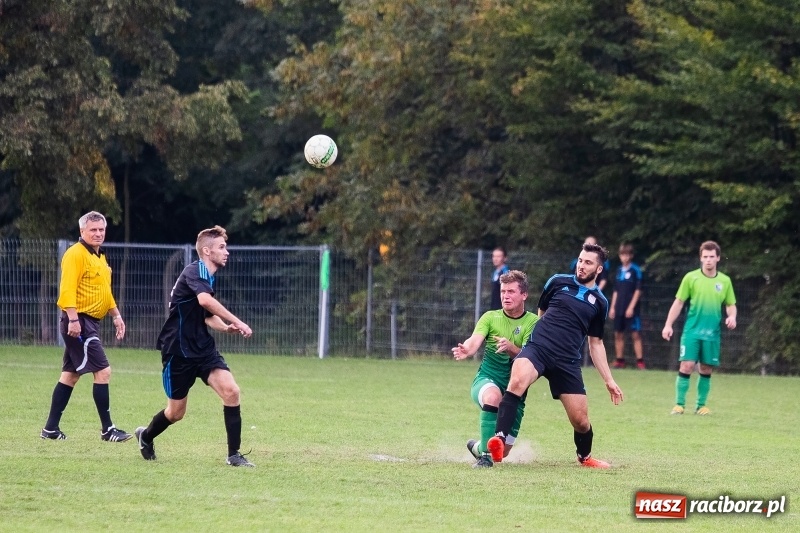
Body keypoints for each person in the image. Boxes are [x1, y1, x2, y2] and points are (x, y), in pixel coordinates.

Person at [486, 242, 624, 469]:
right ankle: (499, 440)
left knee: (580, 421)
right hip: (538, 349)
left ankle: (585, 457)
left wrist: (609, 380)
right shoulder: (557, 282)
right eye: (580, 260)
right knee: (517, 380)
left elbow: (596, 344)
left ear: (598, 269)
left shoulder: (600, 302)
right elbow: (541, 314)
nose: (581, 266)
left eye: (588, 263)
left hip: (567, 361)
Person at [134, 225, 256, 467]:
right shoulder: (195, 270)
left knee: (231, 391)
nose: (227, 252)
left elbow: (205, 314)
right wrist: (238, 320)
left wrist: (225, 327)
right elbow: (205, 301)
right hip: (177, 351)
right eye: (222, 247)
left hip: (202, 349)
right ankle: (145, 436)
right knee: (176, 413)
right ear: (207, 251)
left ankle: (234, 455)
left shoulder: (206, 277)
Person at [40, 211, 132, 442]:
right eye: (93, 229)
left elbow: (105, 292)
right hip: (80, 322)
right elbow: (67, 289)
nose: (98, 233)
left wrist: (116, 315)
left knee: (70, 376)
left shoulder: (99, 257)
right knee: (103, 371)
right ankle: (107, 430)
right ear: (82, 231)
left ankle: (50, 429)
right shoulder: (75, 254)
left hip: (91, 322)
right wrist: (72, 319)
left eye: (101, 229)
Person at [452, 270, 539, 468]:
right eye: (503, 291)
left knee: (503, 450)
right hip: (486, 379)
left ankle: (478, 447)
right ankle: (484, 458)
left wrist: (511, 348)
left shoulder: (533, 323)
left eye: (511, 292)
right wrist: (467, 349)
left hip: (515, 391)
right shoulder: (490, 317)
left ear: (524, 295)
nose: (505, 296)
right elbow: (475, 340)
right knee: (493, 398)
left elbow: (529, 358)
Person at [662, 241, 736, 415]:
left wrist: (732, 316)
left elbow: (731, 304)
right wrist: (668, 325)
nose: (708, 260)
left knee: (706, 368)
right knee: (686, 365)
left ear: (718, 258)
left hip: (712, 334)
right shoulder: (691, 278)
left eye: (712, 256)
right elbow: (679, 302)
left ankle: (701, 406)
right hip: (692, 332)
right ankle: (679, 404)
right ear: (700, 258)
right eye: (705, 257)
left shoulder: (724, 281)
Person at [609, 243, 645, 369]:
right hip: (619, 307)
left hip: (632, 309)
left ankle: (640, 362)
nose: (624, 257)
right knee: (618, 333)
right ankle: (620, 360)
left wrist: (631, 307)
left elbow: (638, 290)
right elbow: (616, 290)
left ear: (631, 256)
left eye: (627, 255)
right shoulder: (618, 270)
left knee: (635, 334)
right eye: (622, 255)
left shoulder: (636, 270)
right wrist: (613, 307)